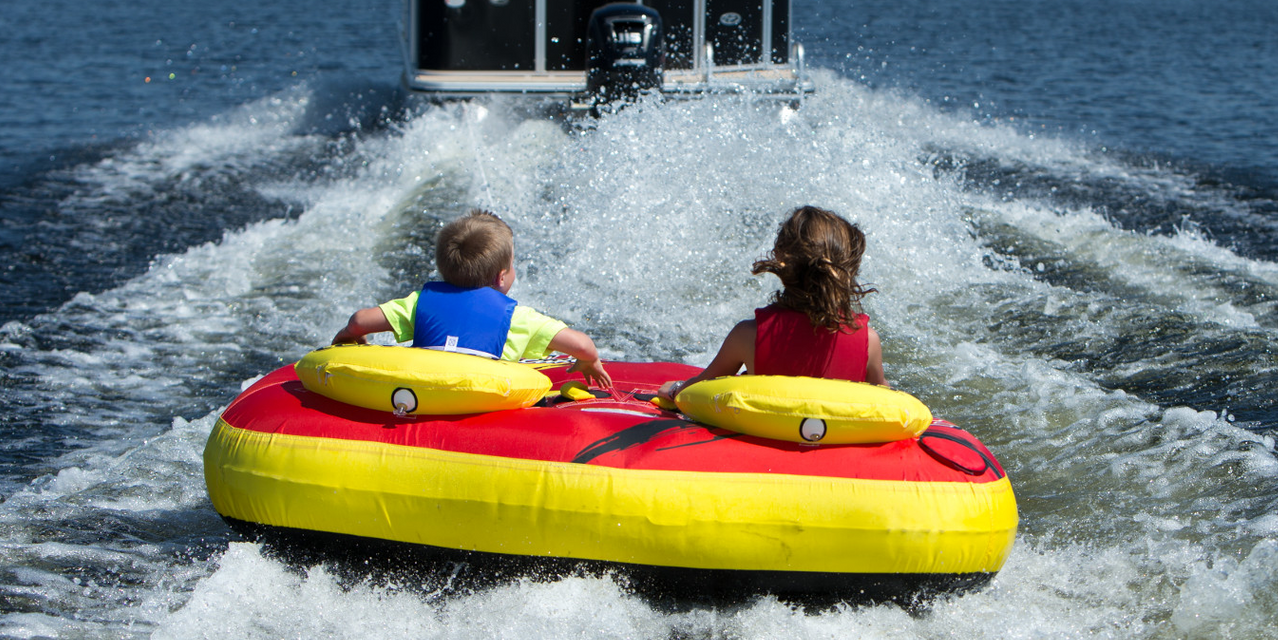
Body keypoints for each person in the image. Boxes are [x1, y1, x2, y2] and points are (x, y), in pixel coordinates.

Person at [332, 210, 612, 387]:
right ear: (501, 277)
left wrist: (349, 338)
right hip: (483, 402)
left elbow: (359, 320)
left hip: (425, 393)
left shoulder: (421, 302)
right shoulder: (517, 317)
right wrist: (589, 362)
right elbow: (583, 345)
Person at [657, 206, 885, 400]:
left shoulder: (749, 335)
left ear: (780, 258)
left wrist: (675, 389)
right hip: (833, 445)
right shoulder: (868, 342)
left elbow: (699, 391)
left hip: (765, 443)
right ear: (848, 267)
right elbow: (883, 399)